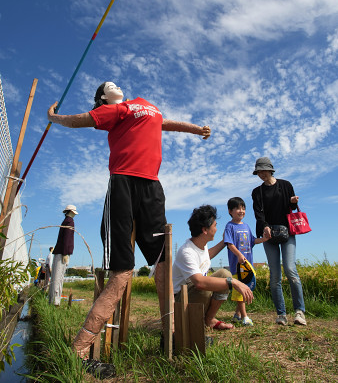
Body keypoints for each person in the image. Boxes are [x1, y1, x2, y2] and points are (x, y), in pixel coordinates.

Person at [47, 81, 211, 379]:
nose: (112, 83)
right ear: (102, 100)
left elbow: (167, 123)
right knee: (121, 275)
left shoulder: (145, 106)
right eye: (105, 86)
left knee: (162, 268)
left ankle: (170, 335)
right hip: (123, 184)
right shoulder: (113, 111)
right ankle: (80, 351)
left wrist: (196, 129)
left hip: (152, 187)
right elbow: (79, 120)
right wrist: (53, 117)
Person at [172, 204, 254, 331]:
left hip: (193, 294)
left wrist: (224, 242)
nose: (216, 228)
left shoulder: (201, 245)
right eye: (214, 225)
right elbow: (199, 282)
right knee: (207, 285)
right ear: (205, 230)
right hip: (180, 301)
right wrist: (234, 282)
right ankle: (191, 322)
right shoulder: (186, 251)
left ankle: (209, 319)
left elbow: (206, 256)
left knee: (224, 274)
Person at [251, 157, 307, 326]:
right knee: (275, 276)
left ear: (270, 169)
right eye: (258, 171)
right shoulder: (257, 192)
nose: (261, 174)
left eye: (263, 170)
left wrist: (292, 201)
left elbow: (289, 208)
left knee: (290, 269)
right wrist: (265, 226)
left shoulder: (285, 185)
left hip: (287, 231)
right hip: (269, 234)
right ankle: (281, 314)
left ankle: (299, 311)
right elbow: (258, 213)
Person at [224, 197, 270, 326]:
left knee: (246, 289)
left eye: (243, 208)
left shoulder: (246, 226)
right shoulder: (229, 226)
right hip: (237, 266)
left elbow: (253, 241)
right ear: (230, 211)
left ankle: (237, 315)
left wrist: (264, 239)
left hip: (248, 264)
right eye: (238, 208)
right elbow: (229, 243)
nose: (241, 211)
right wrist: (239, 255)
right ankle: (245, 317)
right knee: (241, 291)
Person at [49, 205, 77, 306]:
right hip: (62, 252)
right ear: (70, 212)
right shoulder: (70, 222)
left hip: (60, 252)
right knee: (58, 278)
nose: (74, 213)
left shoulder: (66, 221)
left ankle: (53, 300)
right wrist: (65, 253)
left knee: (56, 278)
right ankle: (55, 302)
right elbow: (67, 239)